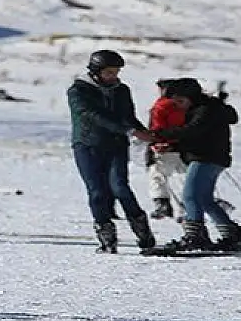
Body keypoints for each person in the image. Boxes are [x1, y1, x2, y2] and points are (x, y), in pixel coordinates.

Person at [67, 49, 158, 253]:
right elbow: (91, 115)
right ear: (96, 71)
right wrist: (130, 130)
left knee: (120, 188)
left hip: (116, 145)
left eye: (116, 72)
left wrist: (145, 132)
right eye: (109, 72)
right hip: (87, 145)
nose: (114, 76)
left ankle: (143, 233)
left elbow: (128, 116)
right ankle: (107, 238)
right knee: (97, 191)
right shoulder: (78, 91)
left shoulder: (121, 90)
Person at [155, 78, 241, 251]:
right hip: (209, 156)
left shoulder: (205, 110)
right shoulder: (203, 109)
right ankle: (232, 234)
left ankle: (195, 237)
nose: (178, 105)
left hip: (206, 158)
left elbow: (192, 131)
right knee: (204, 199)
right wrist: (173, 146)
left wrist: (159, 135)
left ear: (192, 97)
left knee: (190, 196)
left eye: (180, 101)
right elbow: (197, 137)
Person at [146, 78, 187, 219]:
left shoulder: (161, 106)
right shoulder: (186, 106)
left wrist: (154, 143)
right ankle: (184, 209)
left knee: (157, 175)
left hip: (164, 148)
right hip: (184, 148)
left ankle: (162, 204)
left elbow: (156, 127)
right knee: (182, 178)